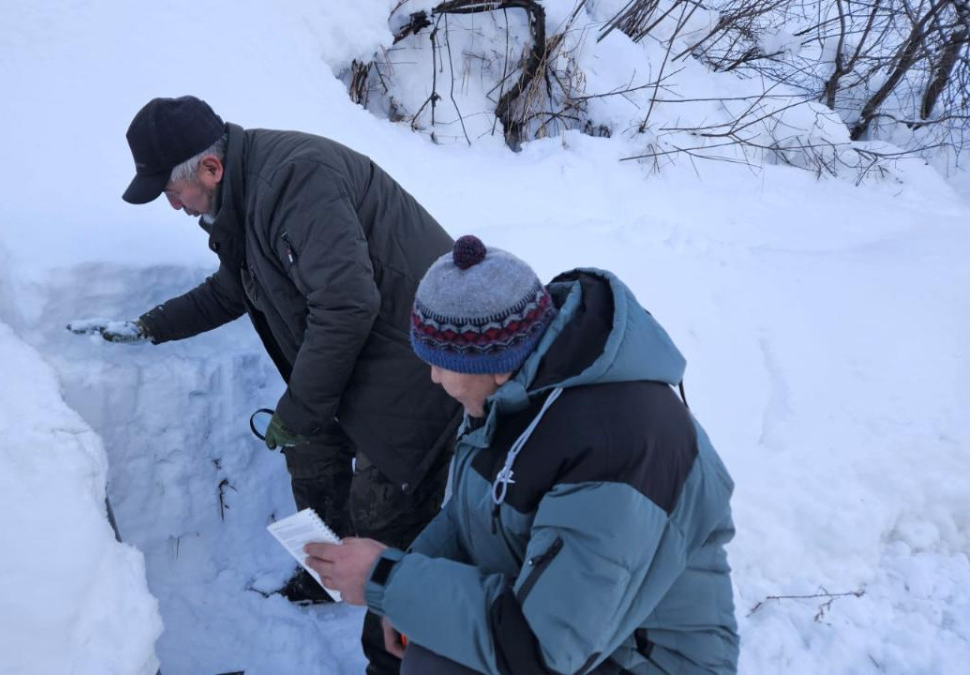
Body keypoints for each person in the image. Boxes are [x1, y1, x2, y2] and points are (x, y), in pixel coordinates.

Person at [69, 96, 462, 674]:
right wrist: (150, 326)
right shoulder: (244, 200)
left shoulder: (297, 181)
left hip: (418, 360)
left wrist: (300, 406)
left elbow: (348, 304)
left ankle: (404, 650)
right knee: (310, 452)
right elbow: (233, 290)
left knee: (384, 517)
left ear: (210, 168)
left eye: (171, 192)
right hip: (356, 352)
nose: (171, 204)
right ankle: (326, 575)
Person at [306, 235, 740, 674]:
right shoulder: (520, 393)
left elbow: (542, 652)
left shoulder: (616, 453)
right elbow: (467, 518)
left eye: (442, 363)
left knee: (432, 662)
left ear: (496, 362)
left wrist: (388, 581)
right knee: (398, 624)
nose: (434, 378)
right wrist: (393, 590)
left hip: (643, 659)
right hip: (579, 628)